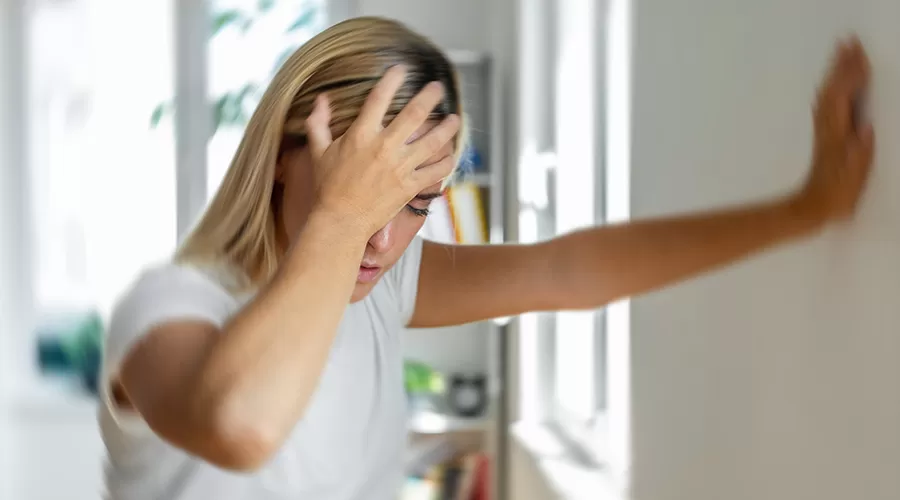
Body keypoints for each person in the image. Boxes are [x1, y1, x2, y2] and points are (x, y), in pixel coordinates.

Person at [99, 16, 874, 500]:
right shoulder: (168, 308)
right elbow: (242, 425)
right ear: (281, 155)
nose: (381, 239)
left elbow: (569, 270)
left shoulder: (382, 284)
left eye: (415, 204)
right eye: (359, 191)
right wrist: (340, 215)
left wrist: (806, 208)